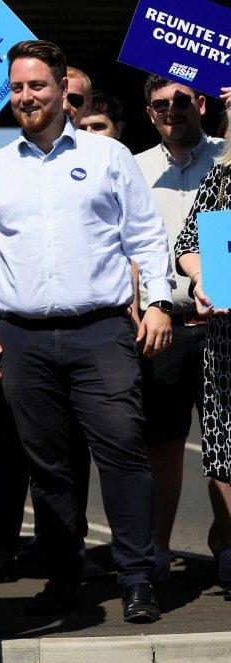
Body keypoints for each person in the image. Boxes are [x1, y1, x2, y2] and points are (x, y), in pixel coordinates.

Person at [0, 39, 173, 624]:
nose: (27, 96)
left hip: (101, 332)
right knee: (49, 468)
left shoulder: (109, 156)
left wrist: (157, 304)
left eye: (38, 86)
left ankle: (137, 577)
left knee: (123, 454)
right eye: (18, 87)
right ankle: (63, 577)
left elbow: (147, 239)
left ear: (62, 91)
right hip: (22, 340)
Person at [135, 75, 222, 582]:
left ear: (201, 103)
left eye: (181, 100)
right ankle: (158, 549)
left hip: (223, 328)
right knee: (161, 444)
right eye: (160, 103)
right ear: (149, 112)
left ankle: (226, 544)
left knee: (225, 444)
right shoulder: (135, 167)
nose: (171, 110)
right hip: (164, 326)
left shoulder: (230, 158)